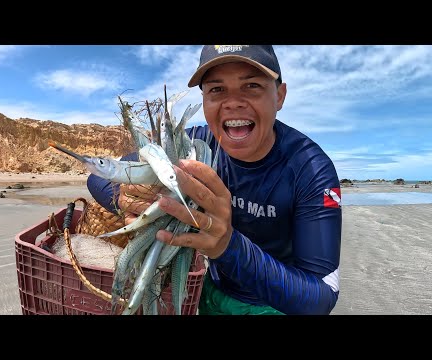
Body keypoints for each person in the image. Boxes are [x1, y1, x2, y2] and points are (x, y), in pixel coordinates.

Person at [87, 45, 342, 315]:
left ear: (279, 96)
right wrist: (137, 204)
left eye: (252, 85)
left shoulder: (311, 169)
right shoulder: (195, 144)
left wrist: (227, 245)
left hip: (278, 304)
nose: (233, 102)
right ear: (205, 99)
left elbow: (321, 297)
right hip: (212, 293)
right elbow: (98, 176)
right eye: (217, 89)